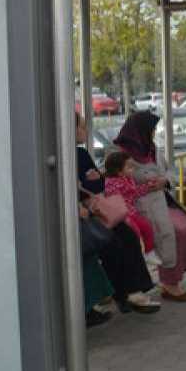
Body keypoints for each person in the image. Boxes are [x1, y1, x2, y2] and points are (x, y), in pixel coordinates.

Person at [112, 112, 186, 302]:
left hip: (162, 202)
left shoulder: (150, 149)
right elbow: (115, 182)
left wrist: (164, 181)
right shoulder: (120, 154)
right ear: (141, 131)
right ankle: (169, 283)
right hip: (139, 207)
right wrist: (145, 185)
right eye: (151, 129)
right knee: (173, 232)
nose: (154, 133)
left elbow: (170, 171)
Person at [77, 113, 160, 315]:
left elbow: (97, 182)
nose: (85, 131)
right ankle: (125, 293)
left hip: (98, 211)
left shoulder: (81, 154)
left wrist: (92, 180)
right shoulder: (71, 156)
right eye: (81, 126)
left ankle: (133, 291)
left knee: (128, 237)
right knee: (112, 245)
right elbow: (91, 182)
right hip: (86, 215)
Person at [103, 151, 163, 266]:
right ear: (119, 171)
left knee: (146, 227)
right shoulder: (111, 183)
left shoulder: (128, 179)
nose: (133, 170)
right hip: (122, 215)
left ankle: (149, 252)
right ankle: (140, 256)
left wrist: (148, 187)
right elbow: (130, 192)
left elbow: (134, 193)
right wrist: (148, 186)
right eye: (129, 167)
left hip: (131, 212)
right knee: (136, 232)